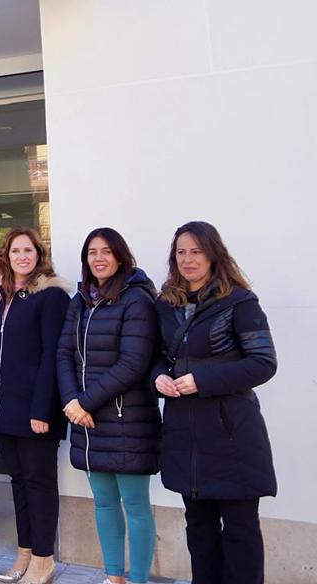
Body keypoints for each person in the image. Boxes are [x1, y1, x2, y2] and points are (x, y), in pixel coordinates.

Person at [152, 221, 276, 584]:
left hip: (231, 434)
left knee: (240, 533)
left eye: (196, 251)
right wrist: (157, 377)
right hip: (185, 435)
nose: (188, 259)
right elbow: (159, 355)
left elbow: (263, 362)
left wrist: (202, 381)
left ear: (212, 254)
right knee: (200, 531)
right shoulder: (168, 303)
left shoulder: (239, 301)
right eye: (181, 252)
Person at [56, 228, 160, 584]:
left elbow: (134, 363)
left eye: (106, 251)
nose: (98, 258)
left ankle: (139, 579)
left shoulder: (137, 299)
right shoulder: (81, 300)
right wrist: (71, 402)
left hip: (127, 418)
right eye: (91, 252)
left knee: (134, 504)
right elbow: (64, 354)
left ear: (120, 256)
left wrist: (82, 402)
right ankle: (114, 576)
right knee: (103, 502)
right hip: (86, 419)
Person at [0, 227, 71, 584]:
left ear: (39, 255)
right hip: (3, 408)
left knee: (40, 483)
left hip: (35, 409)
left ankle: (45, 559)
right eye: (16, 250)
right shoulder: (0, 296)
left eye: (29, 250)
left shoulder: (51, 297)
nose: (22, 256)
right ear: (6, 255)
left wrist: (42, 409)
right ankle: (26, 552)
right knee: (18, 481)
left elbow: (53, 356)